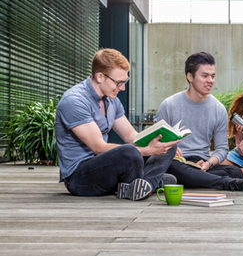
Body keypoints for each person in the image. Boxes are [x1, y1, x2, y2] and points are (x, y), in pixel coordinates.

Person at [55, 48, 180, 201]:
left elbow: (129, 135)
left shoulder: (112, 100)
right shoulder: (74, 100)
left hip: (108, 168)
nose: (122, 88)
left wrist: (158, 141)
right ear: (100, 77)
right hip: (80, 178)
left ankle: (142, 185)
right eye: (119, 83)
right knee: (130, 152)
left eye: (124, 82)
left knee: (168, 146)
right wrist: (146, 150)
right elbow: (99, 148)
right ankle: (151, 182)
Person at [154, 52, 243, 192]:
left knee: (235, 171)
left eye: (213, 76)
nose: (210, 80)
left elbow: (222, 149)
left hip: (202, 163)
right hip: (177, 161)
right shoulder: (169, 105)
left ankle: (193, 179)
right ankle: (228, 184)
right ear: (190, 76)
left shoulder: (218, 109)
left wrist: (209, 163)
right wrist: (169, 148)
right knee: (173, 167)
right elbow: (155, 142)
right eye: (205, 76)